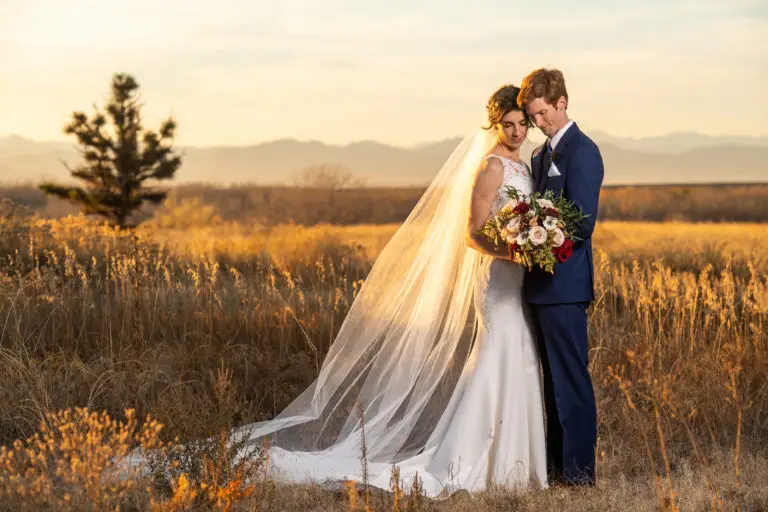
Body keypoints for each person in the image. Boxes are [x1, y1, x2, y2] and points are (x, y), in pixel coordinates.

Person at [226, 85, 549, 498]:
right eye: (509, 124)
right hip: (499, 282)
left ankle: (516, 463)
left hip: (519, 281)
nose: (518, 131)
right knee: (498, 356)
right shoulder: (491, 168)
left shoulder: (526, 166)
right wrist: (516, 252)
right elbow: (472, 235)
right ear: (494, 125)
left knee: (520, 357)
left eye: (523, 123)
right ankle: (475, 460)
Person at [517, 68, 604, 486]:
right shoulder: (538, 157)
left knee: (571, 381)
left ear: (561, 103)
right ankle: (556, 470)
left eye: (541, 114)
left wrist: (541, 241)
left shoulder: (583, 151)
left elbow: (582, 222)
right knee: (550, 384)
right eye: (532, 116)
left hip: (566, 286)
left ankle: (580, 475)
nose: (538, 123)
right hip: (536, 287)